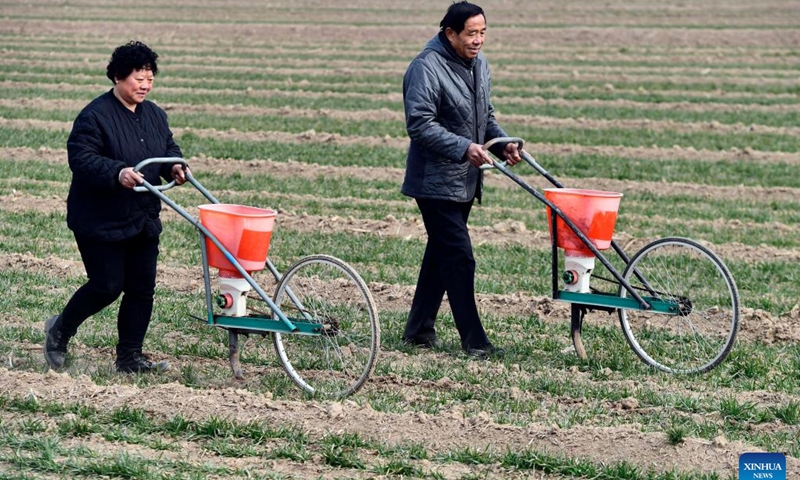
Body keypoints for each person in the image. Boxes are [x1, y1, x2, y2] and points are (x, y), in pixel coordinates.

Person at [43, 41, 188, 373]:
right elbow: (82, 159)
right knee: (107, 285)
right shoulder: (95, 115)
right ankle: (60, 328)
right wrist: (117, 171)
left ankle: (129, 357)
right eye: (139, 78)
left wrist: (176, 167)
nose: (145, 85)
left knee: (141, 287)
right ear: (119, 77)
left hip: (142, 215)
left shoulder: (154, 114)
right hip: (100, 218)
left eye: (150, 78)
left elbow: (166, 146)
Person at [401, 1, 522, 358]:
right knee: (459, 257)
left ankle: (418, 330)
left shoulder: (479, 65)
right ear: (450, 33)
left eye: (483, 32)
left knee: (441, 254)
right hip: (434, 181)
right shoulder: (426, 67)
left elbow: (485, 117)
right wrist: (463, 148)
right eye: (471, 33)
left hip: (464, 179)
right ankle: (475, 341)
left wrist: (502, 144)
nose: (478, 40)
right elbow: (420, 124)